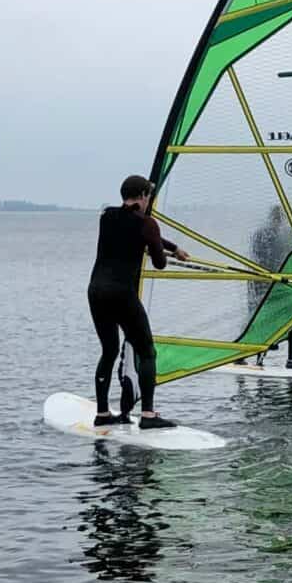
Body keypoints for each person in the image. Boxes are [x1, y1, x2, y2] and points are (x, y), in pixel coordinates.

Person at [89, 175, 189, 431]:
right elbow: (159, 263)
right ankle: (148, 414)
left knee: (109, 351)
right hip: (122, 294)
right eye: (149, 196)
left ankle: (102, 413)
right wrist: (161, 251)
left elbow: (137, 232)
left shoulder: (107, 216)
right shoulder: (148, 225)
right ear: (144, 196)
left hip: (96, 291)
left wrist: (172, 247)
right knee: (147, 352)